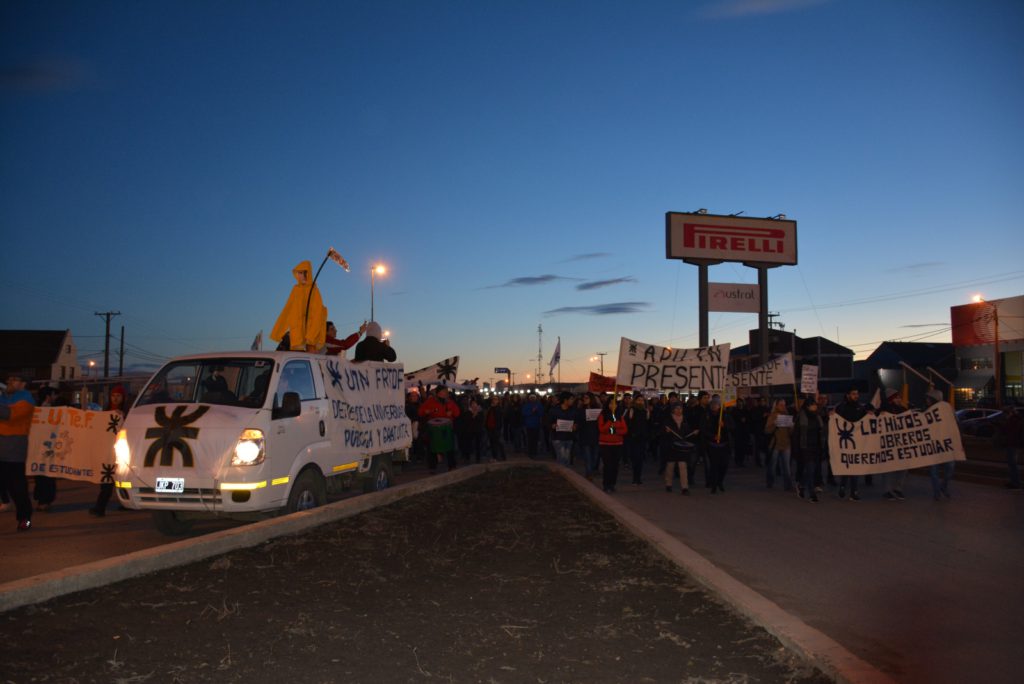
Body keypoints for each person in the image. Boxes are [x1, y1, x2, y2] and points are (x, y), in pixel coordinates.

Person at [1, 374, 36, 531]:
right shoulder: (4, 398)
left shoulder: (26, 399)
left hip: (14, 447)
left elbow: (10, 415)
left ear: (23, 384)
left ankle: (25, 518)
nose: (10, 381)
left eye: (14, 379)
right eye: (10, 379)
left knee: (17, 487)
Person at [270, 260, 327, 352]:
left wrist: (311, 337)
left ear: (308, 273)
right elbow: (287, 310)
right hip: (297, 337)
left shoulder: (314, 290)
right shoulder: (295, 290)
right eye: (298, 273)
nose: (300, 275)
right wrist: (277, 333)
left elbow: (318, 314)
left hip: (311, 340)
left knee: (309, 361)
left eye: (302, 272)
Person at [91, 385, 129, 516]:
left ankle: (127, 503)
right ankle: (100, 507)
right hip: (107, 450)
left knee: (122, 478)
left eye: (118, 396)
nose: (115, 398)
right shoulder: (105, 411)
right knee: (106, 479)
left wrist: (124, 417)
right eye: (113, 395)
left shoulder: (128, 412)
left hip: (122, 450)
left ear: (123, 397)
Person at [835, 387, 867, 501]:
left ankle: (854, 491)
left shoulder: (861, 407)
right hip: (844, 441)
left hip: (857, 442)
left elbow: (866, 419)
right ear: (848, 395)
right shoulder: (841, 407)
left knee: (855, 467)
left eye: (857, 394)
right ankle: (843, 486)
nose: (856, 396)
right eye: (853, 394)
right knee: (846, 466)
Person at [418, 386, 460, 472]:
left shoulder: (450, 402)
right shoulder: (430, 401)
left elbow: (457, 413)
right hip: (434, 429)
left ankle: (452, 466)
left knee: (449, 447)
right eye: (444, 392)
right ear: (438, 393)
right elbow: (420, 412)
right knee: (432, 448)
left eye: (446, 392)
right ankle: (433, 467)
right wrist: (426, 412)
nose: (445, 393)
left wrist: (452, 413)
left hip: (447, 428)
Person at [793, 398, 826, 502]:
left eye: (815, 405)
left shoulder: (817, 417)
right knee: (810, 470)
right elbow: (796, 435)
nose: (815, 406)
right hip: (805, 447)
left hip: (816, 446)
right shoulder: (801, 417)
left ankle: (801, 484)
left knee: (811, 470)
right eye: (813, 405)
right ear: (808, 406)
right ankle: (812, 494)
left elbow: (822, 431)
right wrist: (796, 449)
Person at [33, 386, 60, 511]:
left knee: (41, 474)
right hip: (46, 446)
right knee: (46, 475)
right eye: (54, 395)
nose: (56, 397)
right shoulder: (46, 410)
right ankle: (44, 500)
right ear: (48, 396)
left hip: (40, 446)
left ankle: (42, 500)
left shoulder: (36, 409)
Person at [881, 390, 910, 501]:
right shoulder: (884, 411)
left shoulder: (903, 410)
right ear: (891, 399)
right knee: (888, 468)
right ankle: (887, 490)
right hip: (888, 445)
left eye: (899, 398)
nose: (899, 400)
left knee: (903, 467)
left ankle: (898, 489)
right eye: (896, 398)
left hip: (901, 444)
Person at [662, 402, 693, 494]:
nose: (679, 410)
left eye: (680, 408)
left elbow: (688, 432)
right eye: (677, 408)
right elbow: (662, 432)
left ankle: (685, 487)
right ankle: (668, 484)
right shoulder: (668, 420)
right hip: (671, 445)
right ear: (673, 410)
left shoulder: (685, 420)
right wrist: (666, 432)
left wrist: (693, 433)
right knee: (670, 466)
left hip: (682, 446)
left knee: (683, 466)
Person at [598, 397, 628, 493]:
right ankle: (606, 484)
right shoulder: (603, 415)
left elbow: (625, 430)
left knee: (615, 465)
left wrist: (614, 430)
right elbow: (601, 429)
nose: (613, 405)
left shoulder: (620, 416)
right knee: (607, 465)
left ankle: (612, 484)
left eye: (615, 404)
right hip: (605, 444)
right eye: (611, 403)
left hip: (617, 443)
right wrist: (610, 422)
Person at [764, 398, 794, 491]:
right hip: (775, 444)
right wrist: (774, 424)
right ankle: (770, 482)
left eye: (784, 404)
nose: (783, 406)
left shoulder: (787, 415)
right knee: (772, 466)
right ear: (776, 405)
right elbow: (767, 430)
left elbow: (791, 433)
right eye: (781, 404)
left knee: (786, 467)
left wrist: (792, 427)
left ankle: (788, 485)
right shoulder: (773, 415)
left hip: (786, 444)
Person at [624, 395, 650, 485]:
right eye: (639, 400)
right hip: (634, 437)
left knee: (640, 459)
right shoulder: (632, 410)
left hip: (642, 437)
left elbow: (647, 422)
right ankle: (635, 478)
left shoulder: (645, 411)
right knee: (635, 458)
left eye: (642, 400)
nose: (640, 402)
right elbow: (628, 422)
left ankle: (638, 478)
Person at [549, 392, 578, 467]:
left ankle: (566, 474)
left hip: (569, 437)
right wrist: (552, 425)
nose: (573, 401)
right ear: (565, 400)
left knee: (567, 458)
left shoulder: (573, 410)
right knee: (561, 457)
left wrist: (575, 426)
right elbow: (547, 422)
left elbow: (577, 421)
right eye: (571, 399)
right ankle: (561, 474)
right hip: (557, 437)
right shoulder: (554, 410)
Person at [576, 393, 601, 479]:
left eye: (587, 398)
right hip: (585, 436)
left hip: (595, 436)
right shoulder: (580, 410)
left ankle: (591, 470)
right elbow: (578, 422)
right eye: (584, 398)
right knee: (587, 456)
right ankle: (589, 473)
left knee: (595, 456)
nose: (585, 399)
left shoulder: (597, 409)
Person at [484, 395, 506, 461]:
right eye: (493, 399)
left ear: (498, 401)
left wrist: (499, 428)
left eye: (496, 399)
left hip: (496, 428)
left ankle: (500, 456)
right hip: (490, 428)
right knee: (492, 443)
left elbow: (499, 418)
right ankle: (495, 457)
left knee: (498, 443)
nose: (494, 400)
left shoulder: (498, 408)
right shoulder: (490, 408)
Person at [521, 393, 543, 458]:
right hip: (528, 425)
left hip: (536, 425)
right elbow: (524, 413)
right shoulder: (526, 405)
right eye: (531, 397)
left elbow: (541, 413)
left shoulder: (539, 405)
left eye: (534, 397)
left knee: (535, 439)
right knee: (530, 439)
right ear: (529, 398)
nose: (532, 398)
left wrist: (537, 412)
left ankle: (534, 452)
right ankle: (530, 452)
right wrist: (532, 412)